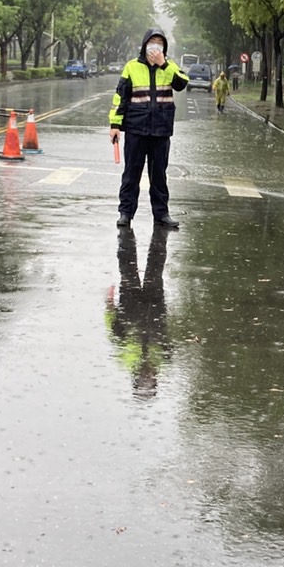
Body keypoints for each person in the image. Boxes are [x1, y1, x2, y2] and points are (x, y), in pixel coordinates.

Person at [110, 28, 187, 230]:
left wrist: (164, 64)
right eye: (152, 42)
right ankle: (125, 213)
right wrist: (115, 125)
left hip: (161, 130)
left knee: (159, 175)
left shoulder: (169, 67)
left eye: (159, 43)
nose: (155, 46)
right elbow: (121, 97)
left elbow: (181, 83)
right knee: (131, 174)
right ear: (144, 45)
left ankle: (162, 214)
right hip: (136, 128)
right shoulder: (131, 67)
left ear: (164, 47)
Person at [105, 227, 171, 399]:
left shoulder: (123, 359)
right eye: (148, 379)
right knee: (155, 269)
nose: (147, 375)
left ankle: (126, 241)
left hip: (133, 307)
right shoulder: (163, 361)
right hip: (151, 307)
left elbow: (113, 331)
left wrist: (109, 305)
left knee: (127, 269)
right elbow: (169, 336)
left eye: (144, 379)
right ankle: (156, 240)